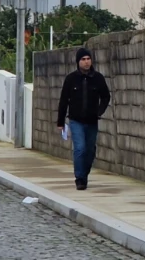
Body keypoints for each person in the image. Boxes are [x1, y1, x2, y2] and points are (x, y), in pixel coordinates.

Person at [56, 47, 111, 190]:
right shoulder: (71, 79)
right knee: (80, 148)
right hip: (76, 120)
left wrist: (100, 111)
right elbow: (63, 101)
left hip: (92, 121)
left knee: (90, 150)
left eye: (88, 59)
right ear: (78, 62)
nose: (86, 62)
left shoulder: (98, 78)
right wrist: (60, 122)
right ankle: (79, 178)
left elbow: (106, 96)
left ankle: (84, 173)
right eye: (83, 59)